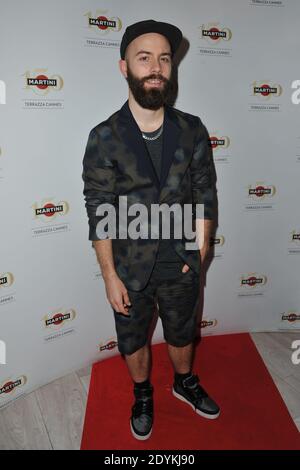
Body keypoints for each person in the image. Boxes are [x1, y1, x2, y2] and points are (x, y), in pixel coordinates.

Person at [82, 19, 220, 441]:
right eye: (145, 58)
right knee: (133, 341)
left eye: (164, 59)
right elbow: (99, 207)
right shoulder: (105, 136)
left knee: (182, 335)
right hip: (129, 268)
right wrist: (109, 275)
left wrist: (199, 257)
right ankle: (143, 393)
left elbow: (204, 194)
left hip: (180, 265)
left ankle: (183, 382)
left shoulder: (192, 129)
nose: (156, 67)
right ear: (125, 67)